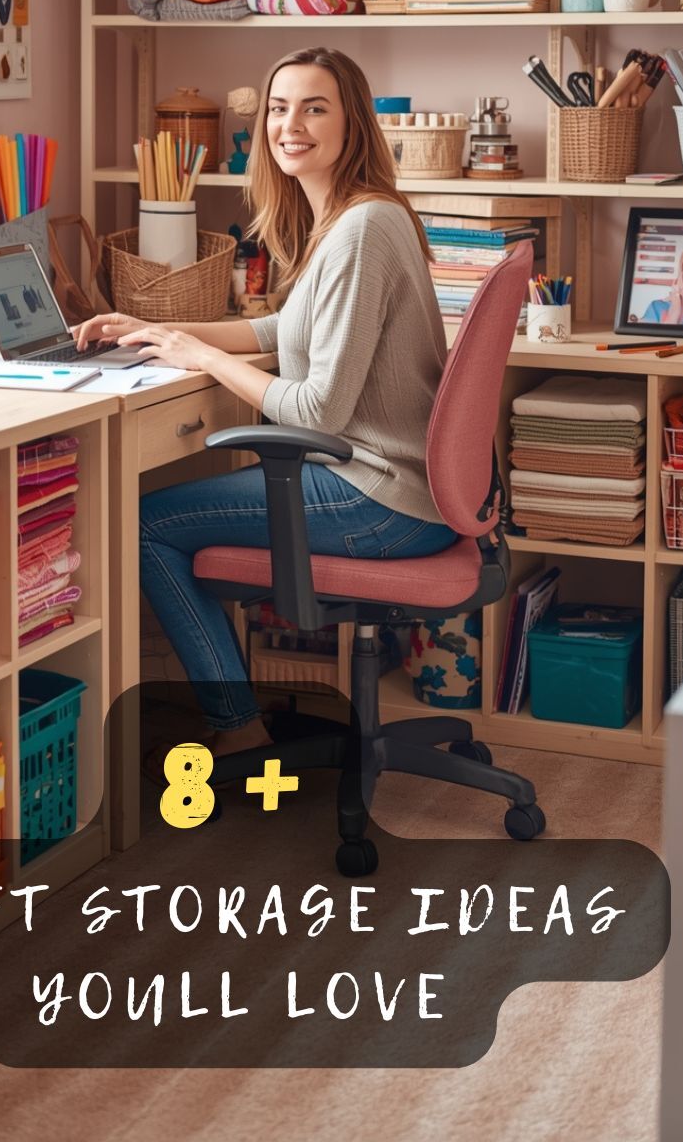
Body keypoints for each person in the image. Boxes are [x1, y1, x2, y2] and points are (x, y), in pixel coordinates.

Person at [76, 47, 457, 759]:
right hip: (399, 488)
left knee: (142, 527)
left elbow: (317, 413)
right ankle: (234, 714)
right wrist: (162, 330)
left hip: (377, 496)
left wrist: (205, 361)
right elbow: (284, 329)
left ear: (354, 124)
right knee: (165, 513)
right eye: (280, 108)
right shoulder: (351, 217)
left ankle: (237, 726)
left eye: (315, 108)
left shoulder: (363, 229)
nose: (291, 125)